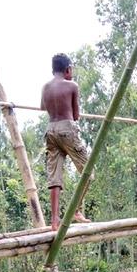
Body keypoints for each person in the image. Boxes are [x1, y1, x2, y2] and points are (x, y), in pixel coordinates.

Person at [41, 53, 91, 231]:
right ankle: (76, 211)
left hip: (50, 129)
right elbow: (76, 115)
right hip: (67, 129)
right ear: (68, 69)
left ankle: (55, 221)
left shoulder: (45, 87)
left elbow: (42, 107)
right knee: (88, 171)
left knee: (54, 178)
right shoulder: (72, 86)